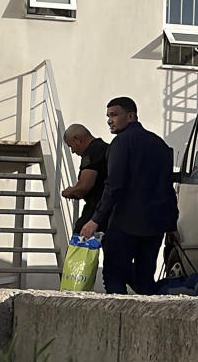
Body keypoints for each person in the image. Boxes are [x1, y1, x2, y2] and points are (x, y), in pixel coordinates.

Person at [80, 97, 179, 295]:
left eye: (114, 115)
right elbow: (168, 187)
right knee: (145, 282)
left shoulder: (121, 143)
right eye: (108, 116)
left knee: (114, 277)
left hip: (125, 223)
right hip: (154, 225)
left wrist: (95, 220)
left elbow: (114, 186)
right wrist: (172, 225)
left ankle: (116, 321)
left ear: (131, 116)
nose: (110, 120)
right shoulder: (160, 144)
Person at [63, 124, 109, 235]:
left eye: (71, 146)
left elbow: (84, 187)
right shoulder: (105, 148)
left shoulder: (92, 152)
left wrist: (69, 191)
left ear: (77, 139)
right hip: (110, 210)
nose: (73, 151)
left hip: (96, 211)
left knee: (79, 243)